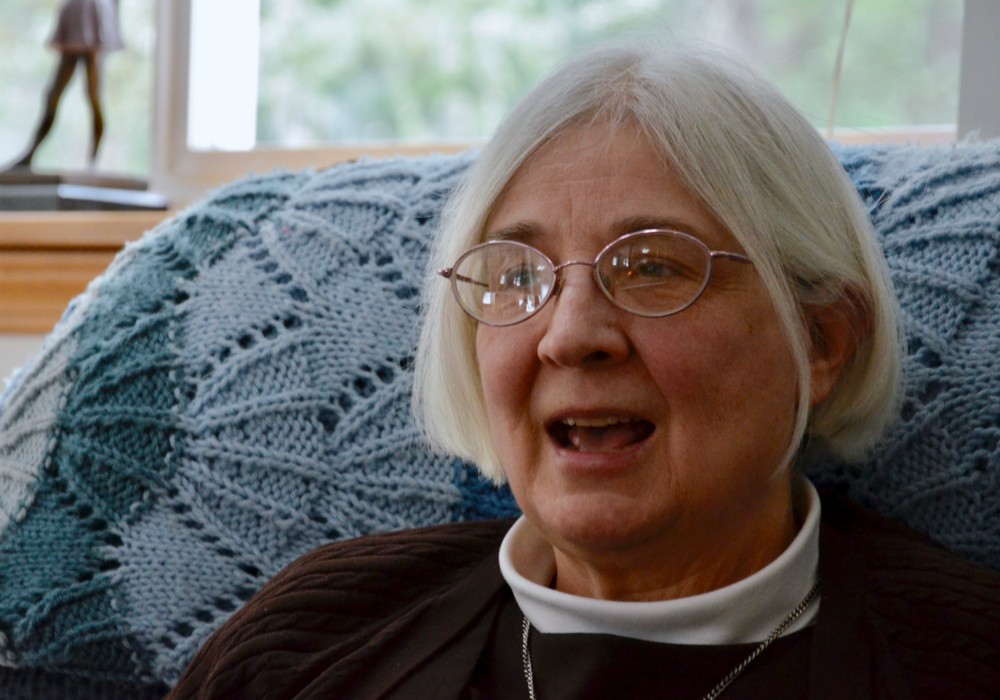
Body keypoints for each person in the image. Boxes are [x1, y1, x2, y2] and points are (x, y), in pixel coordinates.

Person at [168, 43, 1000, 699]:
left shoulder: (962, 663)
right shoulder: (306, 646)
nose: (568, 337)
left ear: (821, 342)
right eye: (517, 275)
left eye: (653, 267)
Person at [7, 0, 123, 170]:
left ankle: (93, 163)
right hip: (76, 14)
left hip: (91, 13)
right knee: (53, 96)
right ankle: (30, 154)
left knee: (93, 97)